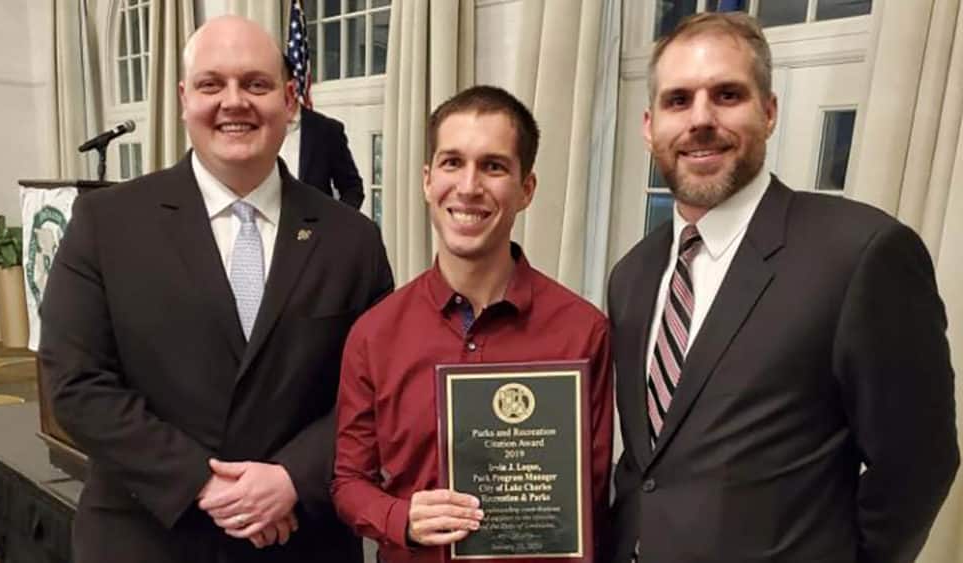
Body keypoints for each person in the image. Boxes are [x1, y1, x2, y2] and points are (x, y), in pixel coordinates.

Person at [606, 12, 958, 563]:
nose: (700, 119)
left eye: (726, 95)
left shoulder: (861, 254)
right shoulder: (631, 276)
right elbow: (649, 468)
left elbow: (920, 461)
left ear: (768, 112)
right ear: (650, 126)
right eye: (678, 101)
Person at [40, 15, 392, 563]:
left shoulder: (354, 240)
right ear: (184, 98)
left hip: (303, 537)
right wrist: (204, 485)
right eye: (212, 84)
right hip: (148, 536)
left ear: (290, 98)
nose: (234, 102)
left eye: (256, 84)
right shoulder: (105, 223)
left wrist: (290, 478)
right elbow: (76, 383)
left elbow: (375, 394)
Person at [331, 85, 614, 563]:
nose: (468, 186)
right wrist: (401, 518)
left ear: (526, 189)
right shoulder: (375, 334)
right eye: (452, 162)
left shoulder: (583, 333)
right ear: (427, 180)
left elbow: (593, 492)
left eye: (494, 166)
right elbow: (347, 482)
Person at [279, 56, 365, 209]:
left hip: (314, 230)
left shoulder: (326, 130)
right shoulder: (256, 128)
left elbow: (353, 189)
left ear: (291, 88)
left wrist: (335, 224)